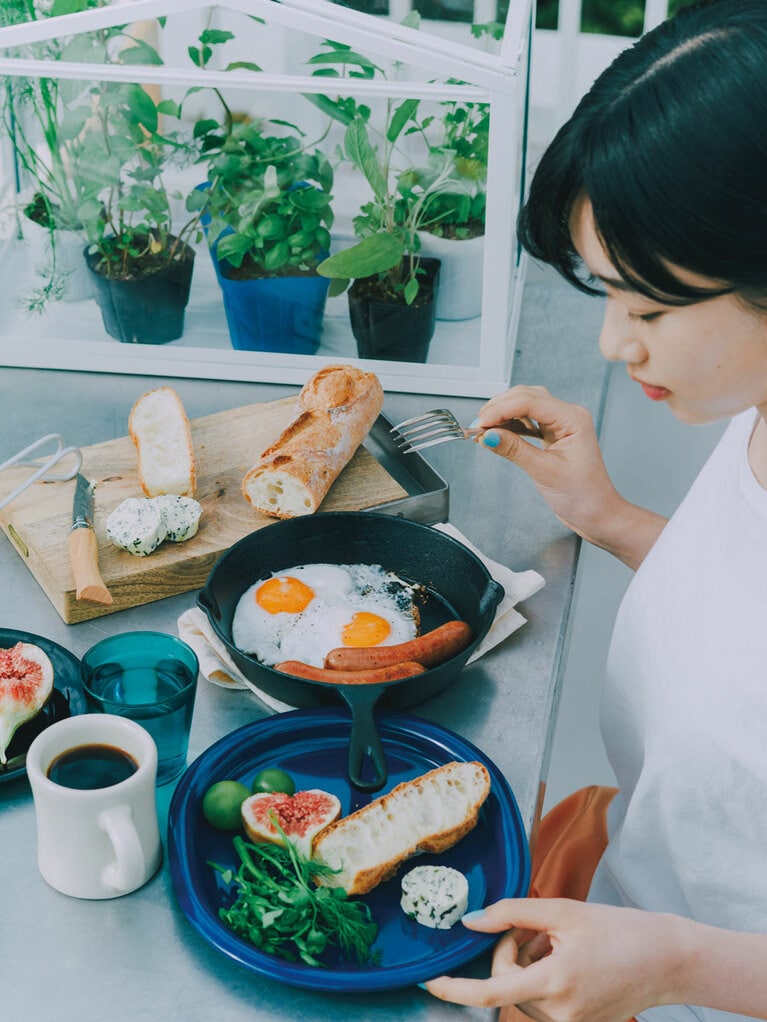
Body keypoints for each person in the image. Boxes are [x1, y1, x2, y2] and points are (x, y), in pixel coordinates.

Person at [421, 1, 767, 1020]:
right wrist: (608, 514)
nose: (616, 344)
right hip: (631, 908)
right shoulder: (750, 404)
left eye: (650, 309)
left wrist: (669, 964)